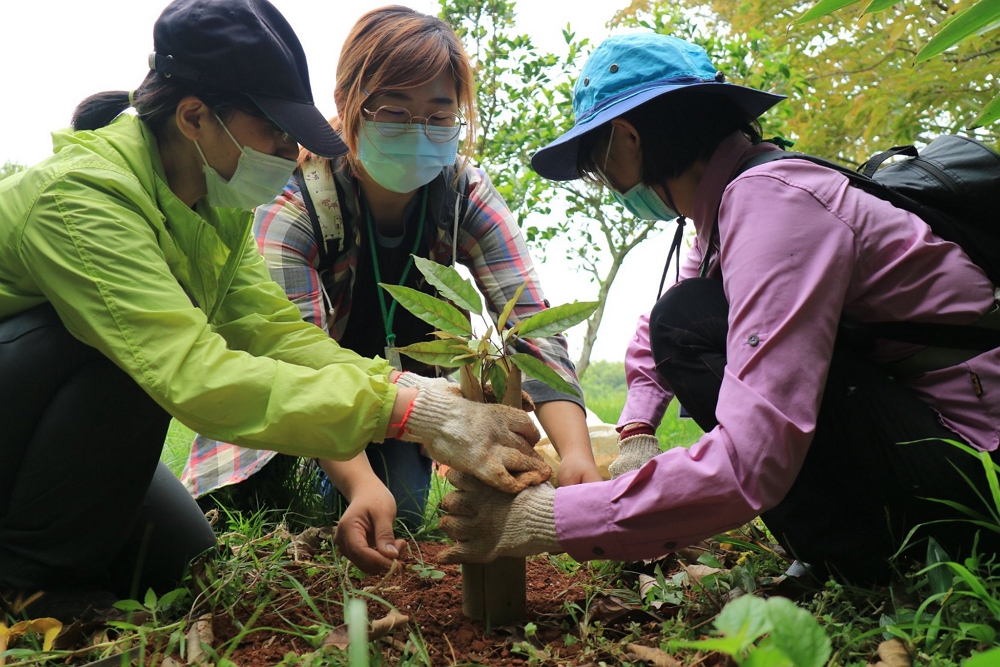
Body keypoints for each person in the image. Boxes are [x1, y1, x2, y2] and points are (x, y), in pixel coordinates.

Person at [0, 0, 548, 623]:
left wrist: (417, 396)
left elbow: (275, 333)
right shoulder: (86, 201)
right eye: (275, 134)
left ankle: (52, 552)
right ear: (194, 117)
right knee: (105, 348)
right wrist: (411, 415)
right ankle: (27, 588)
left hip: (31, 419)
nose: (290, 155)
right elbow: (191, 374)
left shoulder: (212, 206)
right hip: (36, 376)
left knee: (182, 565)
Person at [436, 32, 1000, 584]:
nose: (604, 181)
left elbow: (754, 453)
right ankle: (853, 552)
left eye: (596, 160)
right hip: (940, 444)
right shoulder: (731, 203)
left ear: (628, 139)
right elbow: (662, 330)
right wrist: (635, 432)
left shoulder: (773, 204)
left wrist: (554, 521)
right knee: (683, 318)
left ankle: (867, 560)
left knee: (685, 322)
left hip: (980, 480)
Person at [180, 5, 602, 574]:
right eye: (395, 112)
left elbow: (529, 323)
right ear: (352, 107)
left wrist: (575, 456)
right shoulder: (294, 205)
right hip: (293, 414)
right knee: (303, 512)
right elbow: (292, 361)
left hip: (405, 408)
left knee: (399, 508)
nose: (418, 133)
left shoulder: (462, 195)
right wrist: (358, 483)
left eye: (438, 114)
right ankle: (286, 495)